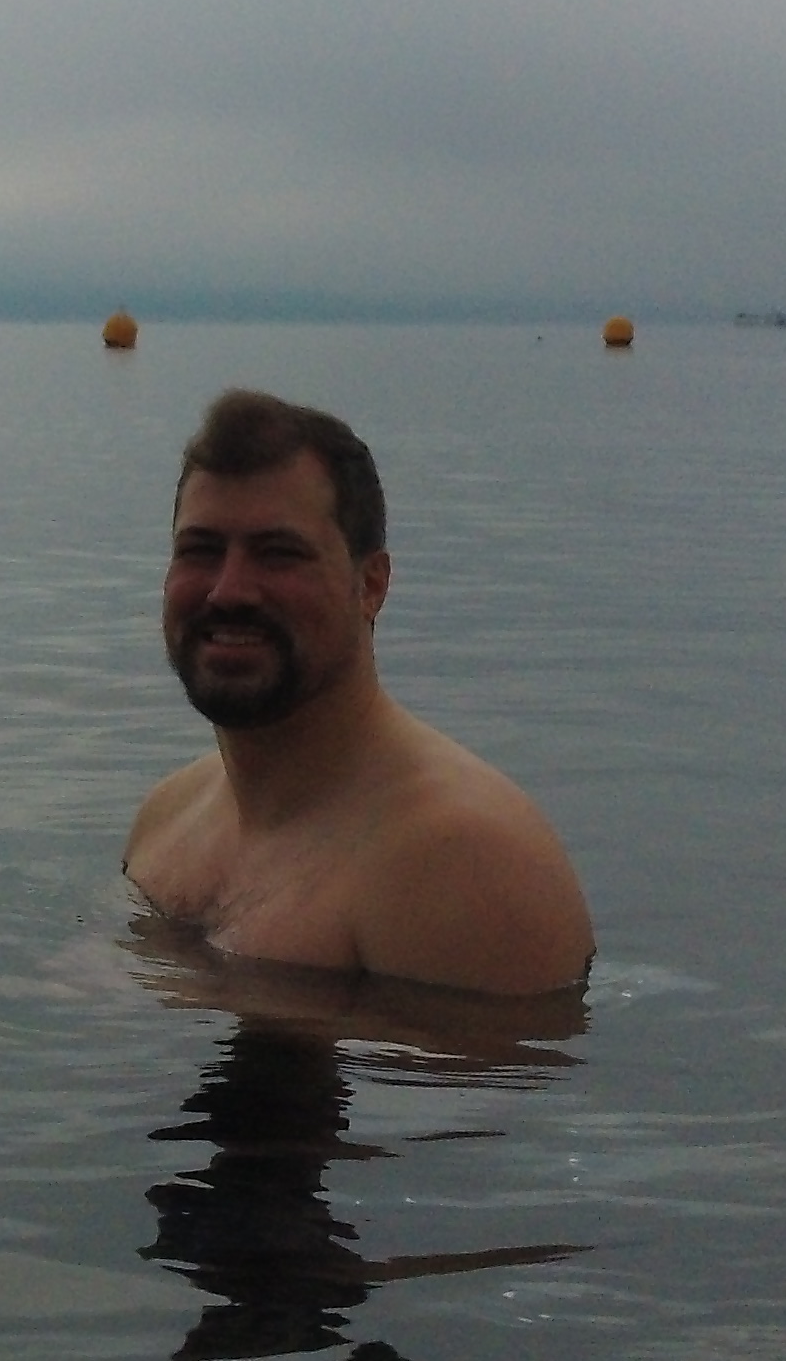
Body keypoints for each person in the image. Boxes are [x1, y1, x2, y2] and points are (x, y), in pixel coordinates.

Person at [123, 389, 593, 996]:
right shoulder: (167, 818)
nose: (229, 590)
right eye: (201, 551)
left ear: (371, 585)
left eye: (278, 554)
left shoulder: (462, 862)